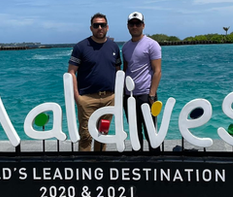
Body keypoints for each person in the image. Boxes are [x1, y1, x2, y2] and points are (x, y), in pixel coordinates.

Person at [68, 13, 121, 151]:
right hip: (87, 99)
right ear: (91, 28)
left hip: (109, 98)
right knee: (86, 135)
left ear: (107, 27)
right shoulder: (81, 47)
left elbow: (118, 70)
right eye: (96, 25)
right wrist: (77, 97)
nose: (99, 28)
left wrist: (117, 95)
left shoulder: (114, 47)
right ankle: (86, 167)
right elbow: (71, 72)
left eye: (102, 25)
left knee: (103, 134)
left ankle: (100, 164)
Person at [122, 11, 162, 152]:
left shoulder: (152, 44)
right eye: (132, 24)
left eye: (137, 24)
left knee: (150, 131)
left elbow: (157, 71)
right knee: (134, 132)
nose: (134, 26)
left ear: (143, 25)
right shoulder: (125, 47)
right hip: (129, 96)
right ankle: (137, 163)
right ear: (128, 26)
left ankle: (155, 163)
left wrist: (152, 94)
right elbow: (126, 70)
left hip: (146, 94)